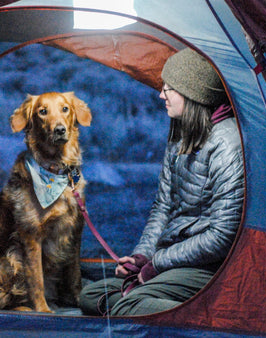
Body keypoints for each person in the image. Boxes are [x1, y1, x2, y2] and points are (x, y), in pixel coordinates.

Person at [79, 48, 244, 316]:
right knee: (91, 296)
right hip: (173, 259)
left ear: (192, 93)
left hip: (208, 266)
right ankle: (162, 307)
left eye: (169, 89)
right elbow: (163, 207)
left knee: (128, 304)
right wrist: (141, 257)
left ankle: (217, 321)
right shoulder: (181, 135)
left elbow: (222, 236)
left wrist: (157, 264)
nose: (160, 95)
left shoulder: (227, 144)